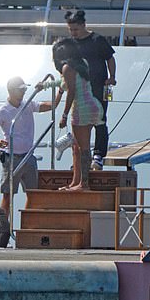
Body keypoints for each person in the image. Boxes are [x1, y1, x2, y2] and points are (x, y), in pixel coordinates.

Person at [0, 76, 57, 218]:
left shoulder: (28, 104)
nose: (24, 92)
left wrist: (59, 92)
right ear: (11, 91)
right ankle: (3, 229)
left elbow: (51, 106)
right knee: (7, 196)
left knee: (33, 195)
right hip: (11, 159)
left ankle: (27, 226)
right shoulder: (2, 111)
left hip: (28, 157)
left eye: (25, 89)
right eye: (21, 89)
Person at [39, 38, 103, 191]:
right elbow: (64, 84)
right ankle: (76, 181)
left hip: (81, 109)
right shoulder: (81, 64)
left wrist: (64, 115)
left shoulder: (67, 68)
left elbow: (71, 91)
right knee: (76, 147)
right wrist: (46, 85)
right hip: (91, 105)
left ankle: (84, 184)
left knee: (83, 148)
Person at [65, 10, 116, 171]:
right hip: (80, 90)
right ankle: (81, 158)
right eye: (71, 30)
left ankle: (99, 154)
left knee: (100, 120)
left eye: (76, 30)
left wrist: (112, 76)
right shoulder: (71, 44)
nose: (74, 33)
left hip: (99, 87)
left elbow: (110, 58)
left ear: (83, 25)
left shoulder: (97, 40)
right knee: (80, 123)